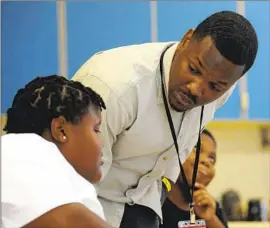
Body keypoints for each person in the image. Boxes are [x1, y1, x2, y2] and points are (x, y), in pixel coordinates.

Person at [72, 10, 258, 228]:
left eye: (215, 86)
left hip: (144, 205)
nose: (196, 89)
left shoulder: (223, 86)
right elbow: (74, 185)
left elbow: (182, 143)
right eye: (193, 69)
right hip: (92, 204)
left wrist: (164, 185)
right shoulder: (114, 88)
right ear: (186, 40)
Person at [1, 75, 110, 228]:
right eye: (96, 129)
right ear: (60, 129)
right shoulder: (22, 149)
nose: (102, 142)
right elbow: (73, 221)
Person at [161, 129, 228, 228]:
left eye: (212, 158)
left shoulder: (212, 207)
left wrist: (210, 219)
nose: (206, 161)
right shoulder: (155, 204)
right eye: (197, 149)